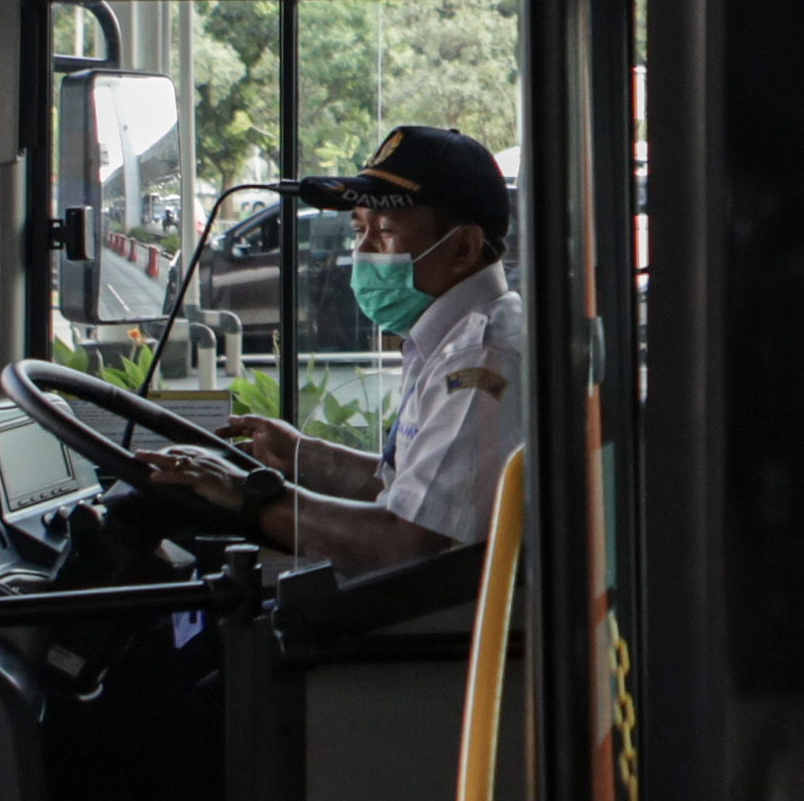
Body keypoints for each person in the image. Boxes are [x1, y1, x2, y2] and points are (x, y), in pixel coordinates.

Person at [145, 125, 522, 573]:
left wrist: (247, 496)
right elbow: (414, 490)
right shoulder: (450, 339)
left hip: (439, 630)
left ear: (463, 246)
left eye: (383, 232)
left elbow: (405, 542)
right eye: (358, 230)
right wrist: (304, 456)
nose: (362, 252)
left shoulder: (482, 360)